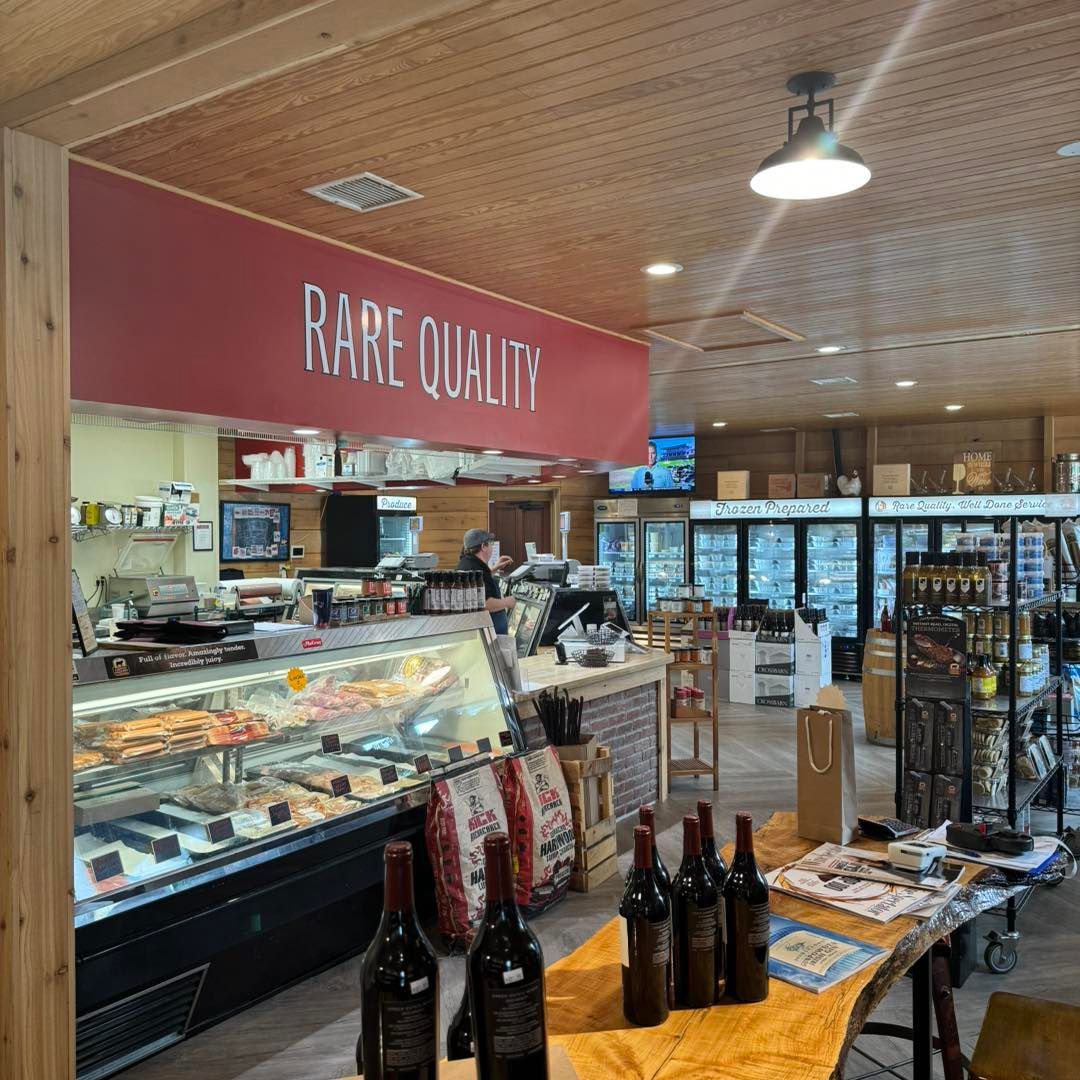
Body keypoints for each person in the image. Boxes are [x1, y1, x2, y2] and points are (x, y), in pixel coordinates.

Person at [458, 529, 516, 634]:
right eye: (490, 544)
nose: (491, 547)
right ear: (483, 546)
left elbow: (481, 581)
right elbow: (485, 604)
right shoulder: (475, 569)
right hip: (488, 634)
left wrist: (494, 569)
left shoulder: (468, 563)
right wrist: (508, 602)